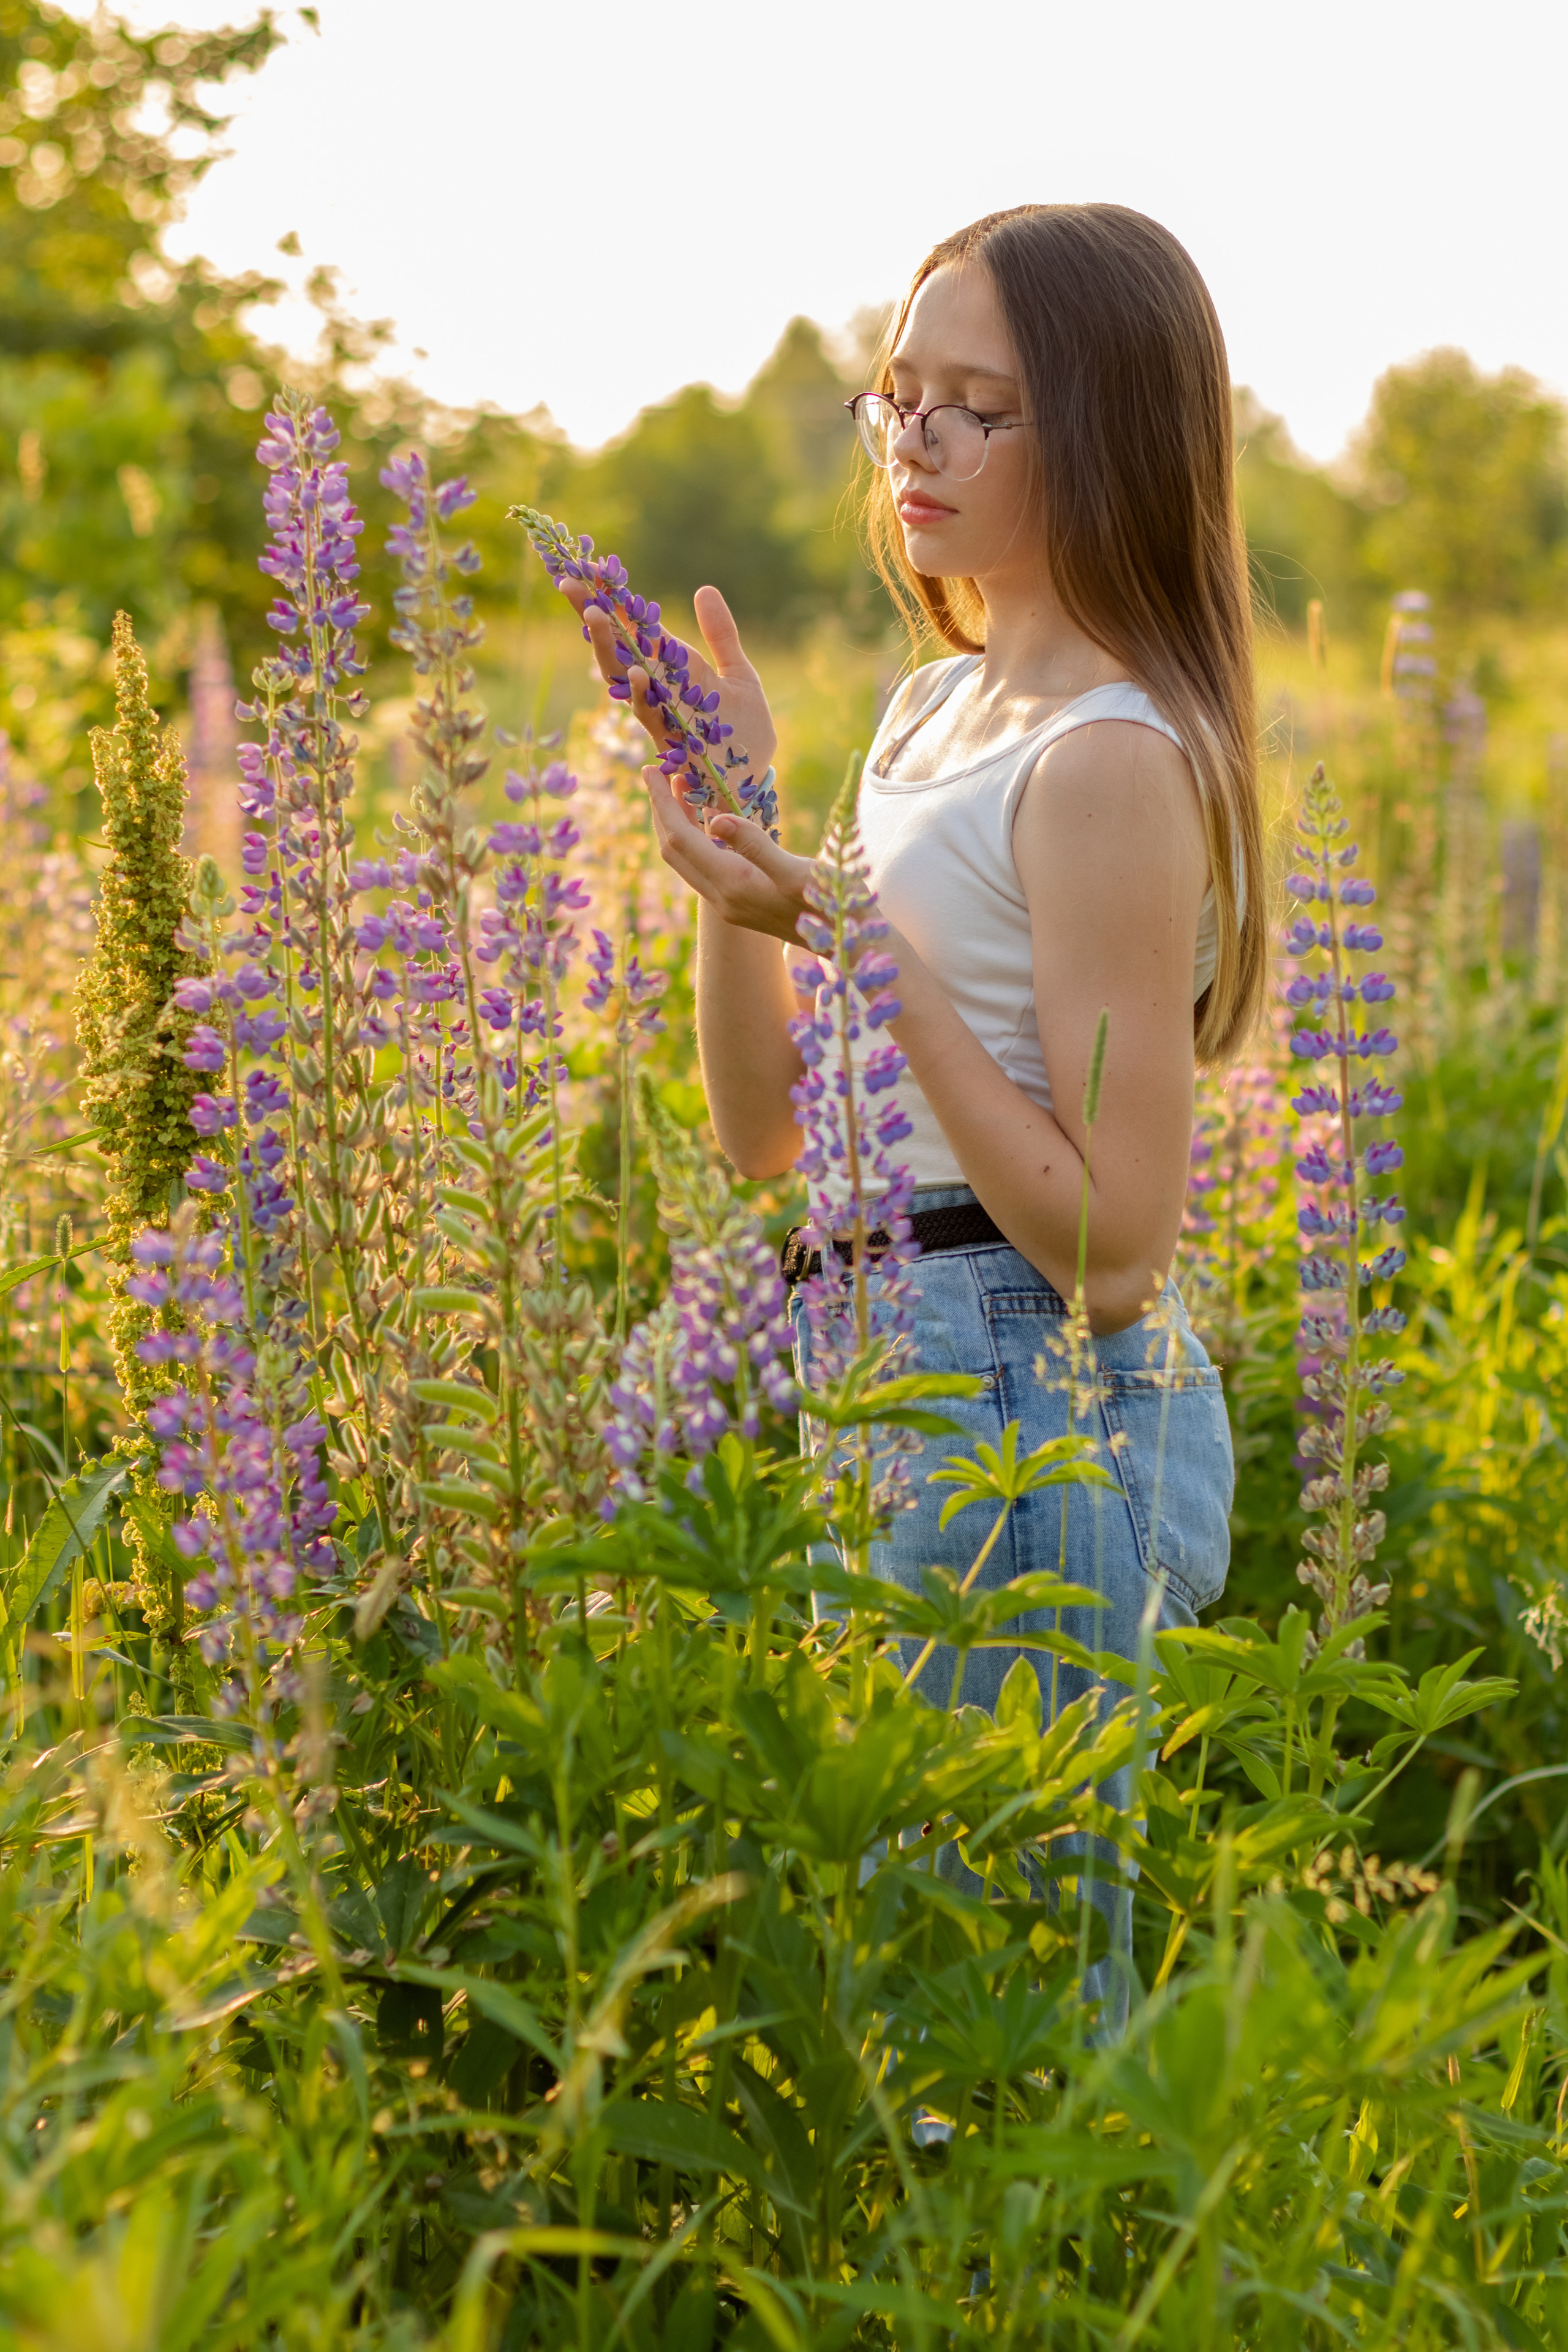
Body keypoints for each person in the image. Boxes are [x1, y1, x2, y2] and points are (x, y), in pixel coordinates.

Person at [567, 203, 1264, 2017]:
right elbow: (771, 1139)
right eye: (903, 397)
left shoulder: (1106, 754)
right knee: (897, 1981)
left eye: (983, 406)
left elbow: (1116, 1243)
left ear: (1108, 436)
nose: (920, 444)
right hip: (879, 1351)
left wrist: (854, 929)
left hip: (1029, 1397)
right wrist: (747, 856)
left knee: (1002, 2016)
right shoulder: (934, 711)